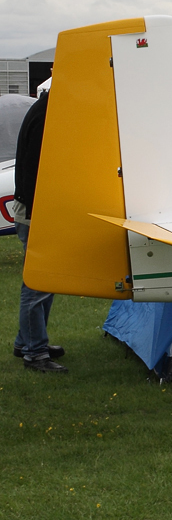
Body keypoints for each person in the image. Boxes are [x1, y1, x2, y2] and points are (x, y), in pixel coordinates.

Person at [12, 91, 66, 373]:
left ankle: (28, 342)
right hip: (36, 214)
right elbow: (37, 171)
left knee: (42, 283)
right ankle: (35, 353)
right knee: (37, 284)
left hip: (35, 211)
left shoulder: (44, 109)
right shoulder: (48, 116)